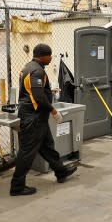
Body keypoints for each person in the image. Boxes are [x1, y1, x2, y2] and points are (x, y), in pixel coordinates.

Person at [10, 43, 77, 196]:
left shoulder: (28, 67)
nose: (51, 58)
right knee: (27, 152)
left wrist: (48, 91)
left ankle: (61, 172)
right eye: (49, 55)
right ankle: (17, 186)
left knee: (47, 146)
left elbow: (34, 92)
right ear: (42, 56)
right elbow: (38, 97)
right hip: (33, 118)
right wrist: (53, 111)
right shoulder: (37, 71)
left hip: (36, 117)